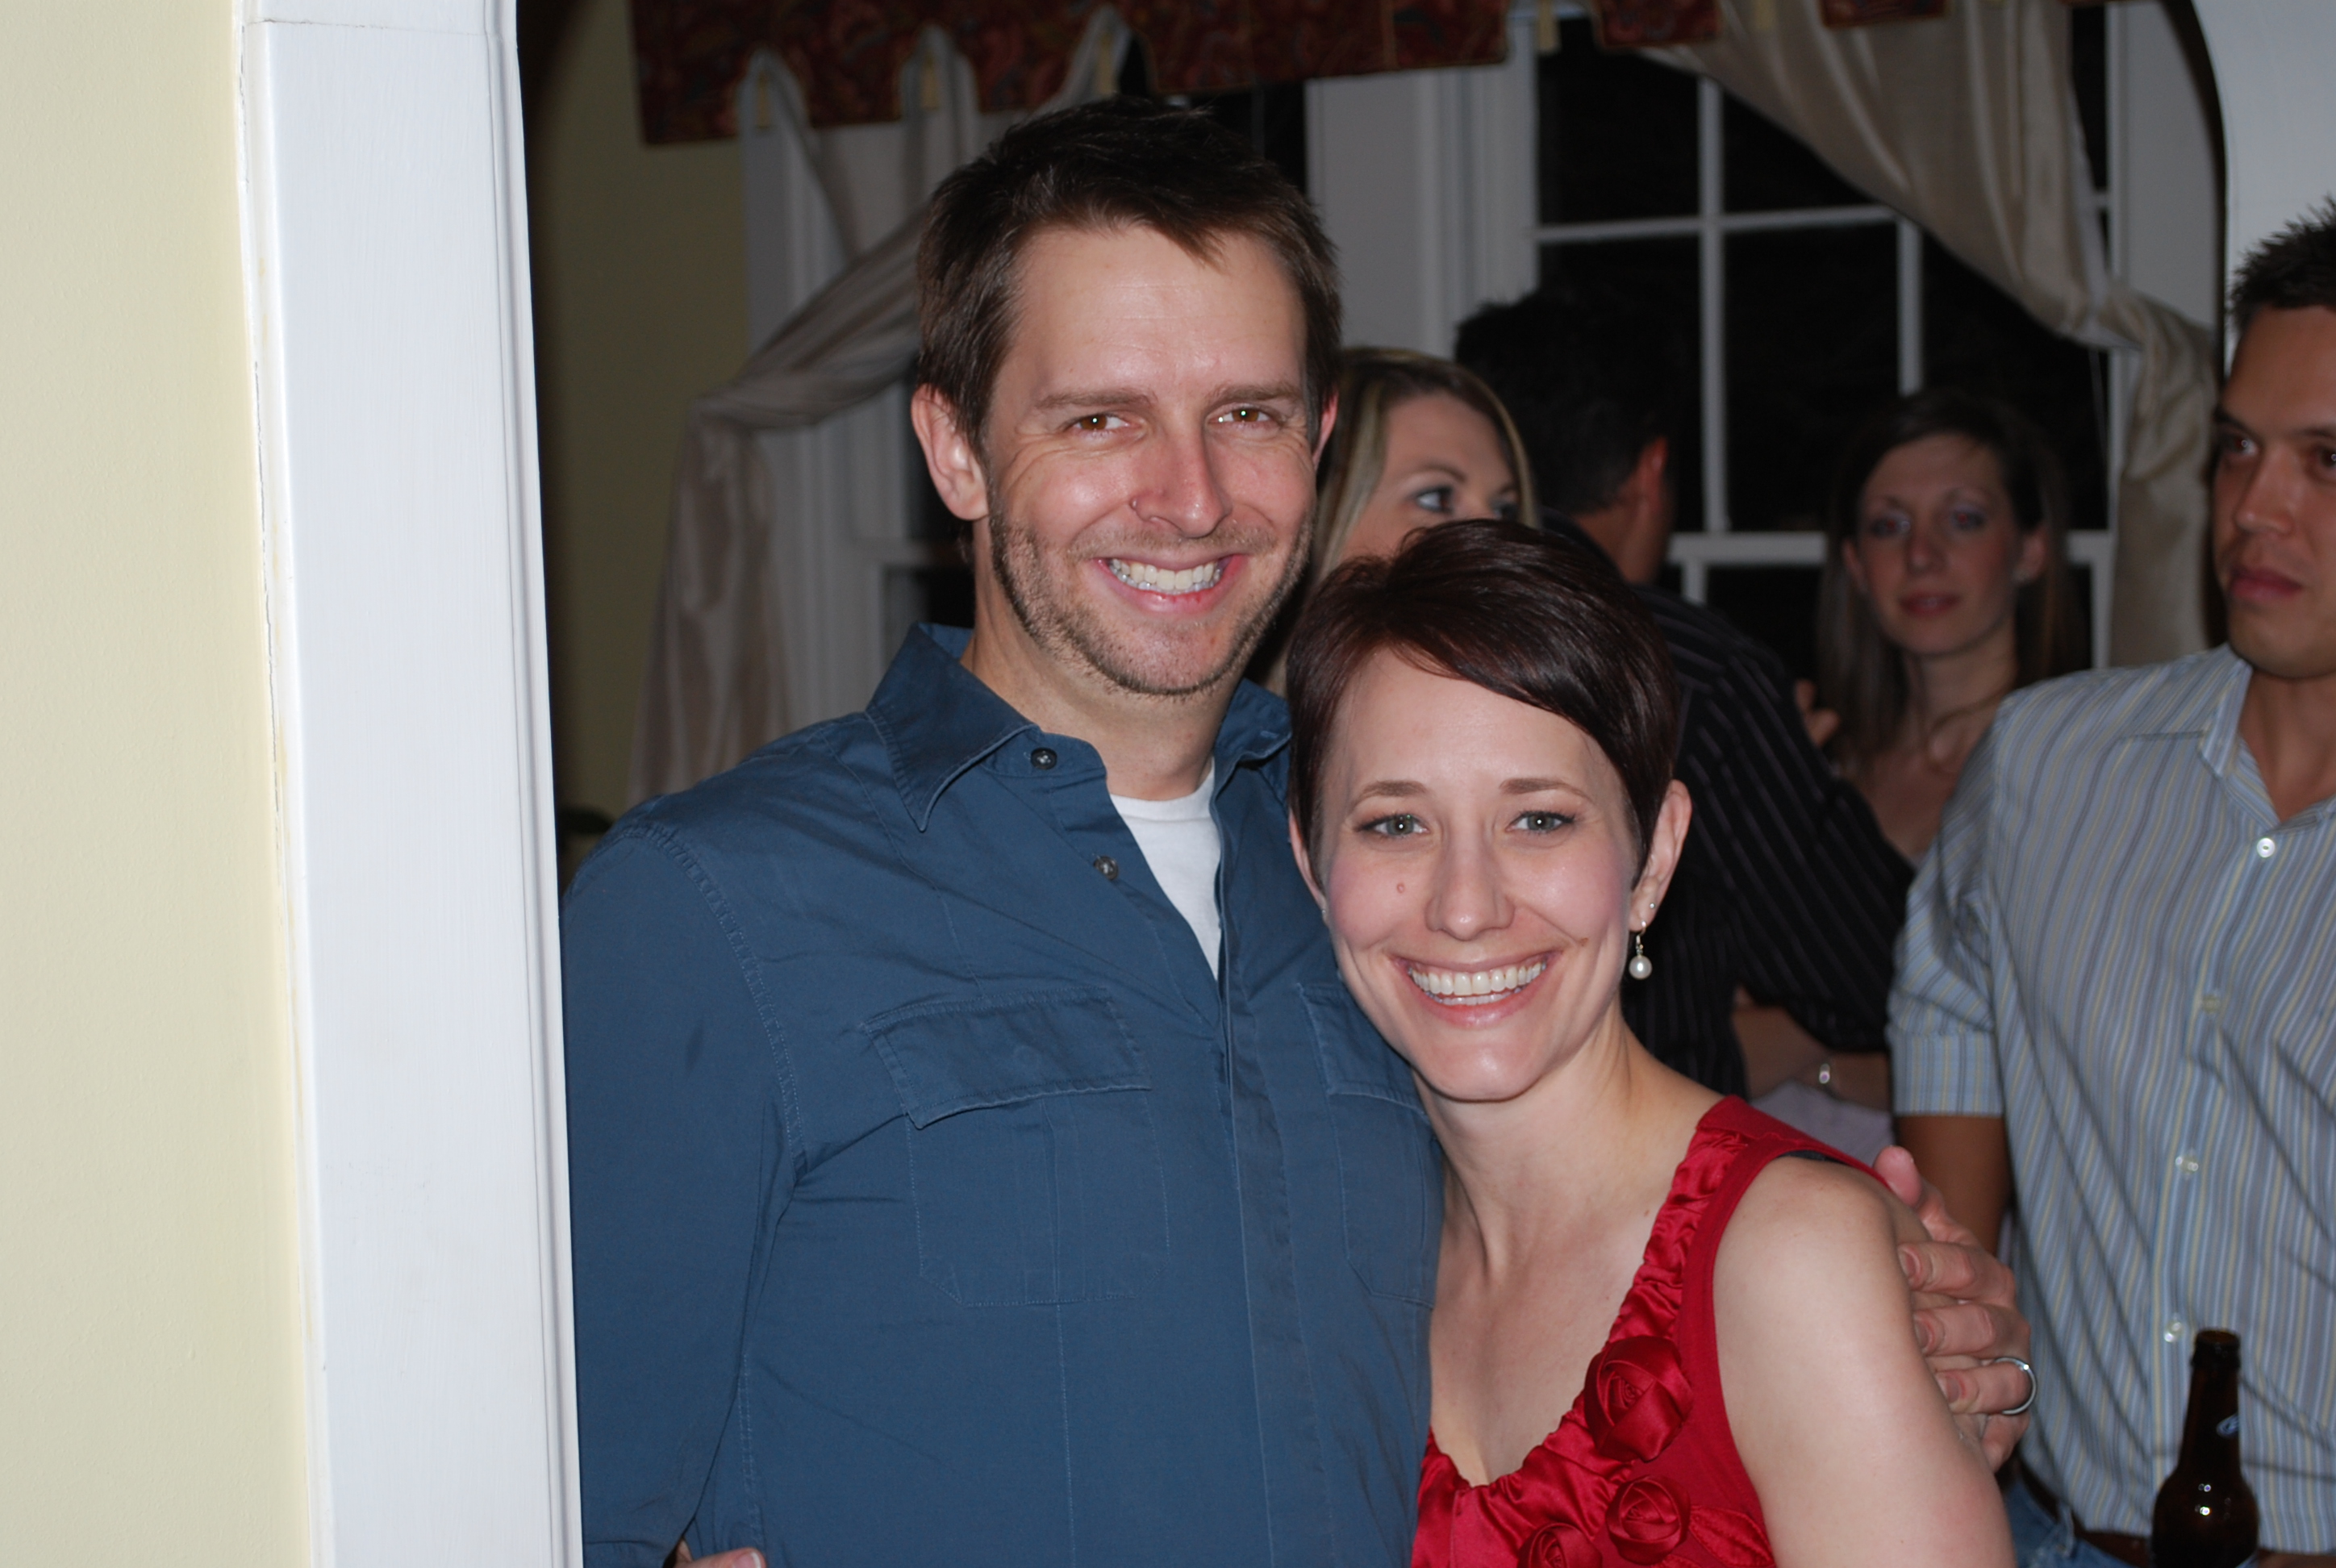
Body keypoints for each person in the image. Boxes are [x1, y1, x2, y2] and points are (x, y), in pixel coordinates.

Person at [563, 99, 2034, 1568]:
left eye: (1247, 414)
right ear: (955, 448)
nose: (1190, 496)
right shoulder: (716, 904)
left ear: (1318, 441)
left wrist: (1865, 1304)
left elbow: (1604, 1225)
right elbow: (530, 1476)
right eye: (1101, 418)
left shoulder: (1368, 872)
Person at [1286, 519, 2014, 1568]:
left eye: (1539, 819)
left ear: (1654, 857)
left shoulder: (1790, 1262)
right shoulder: (1346, 1259)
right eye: (1395, 823)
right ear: (1312, 862)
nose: (1464, 906)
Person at [1896, 206, 2336, 1567]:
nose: (2256, 508)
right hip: (2053, 1534)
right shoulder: (2048, 763)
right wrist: (1959, 1355)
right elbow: (1950, 987)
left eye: (2329, 461)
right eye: (2238, 449)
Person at [1455, 295, 1908, 1154]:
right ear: (1651, 470)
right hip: (1657, 1176)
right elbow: (1877, 967)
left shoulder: (1387, 655)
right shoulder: (1693, 670)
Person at [1817, 390, 2087, 863]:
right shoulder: (1822, 771)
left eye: (1963, 519)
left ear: (2031, 550)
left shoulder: (2080, 767)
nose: (1921, 555)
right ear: (1855, 564)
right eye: (1889, 526)